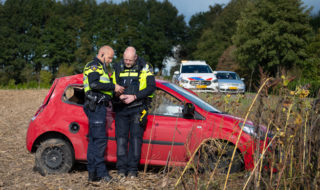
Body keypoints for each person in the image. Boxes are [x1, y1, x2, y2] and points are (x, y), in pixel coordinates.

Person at [112, 46, 155, 179]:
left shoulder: (145, 67)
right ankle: (121, 170)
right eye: (125, 59)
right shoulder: (118, 66)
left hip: (138, 108)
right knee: (121, 140)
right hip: (121, 109)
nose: (127, 62)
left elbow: (151, 87)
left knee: (136, 140)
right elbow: (112, 86)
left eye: (130, 60)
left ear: (135, 57)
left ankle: (132, 170)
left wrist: (134, 97)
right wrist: (118, 96)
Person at [83, 45, 124, 182]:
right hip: (96, 108)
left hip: (99, 107)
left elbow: (102, 88)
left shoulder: (102, 68)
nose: (110, 61)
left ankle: (92, 174)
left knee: (94, 142)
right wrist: (114, 86)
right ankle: (101, 174)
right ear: (102, 54)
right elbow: (94, 84)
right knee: (99, 141)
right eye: (109, 57)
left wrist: (114, 93)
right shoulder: (95, 66)